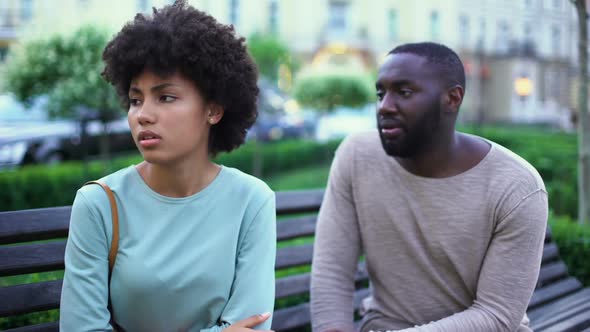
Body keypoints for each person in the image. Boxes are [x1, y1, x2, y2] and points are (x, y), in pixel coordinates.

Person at [60, 1, 276, 331]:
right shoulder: (99, 204)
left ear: (213, 110)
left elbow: (254, 325)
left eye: (166, 97)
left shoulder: (252, 200)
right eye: (135, 99)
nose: (143, 114)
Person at [310, 42, 548, 332]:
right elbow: (332, 272)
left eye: (404, 92)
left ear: (452, 99)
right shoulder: (357, 156)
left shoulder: (516, 185)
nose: (384, 106)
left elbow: (496, 316)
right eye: (381, 93)